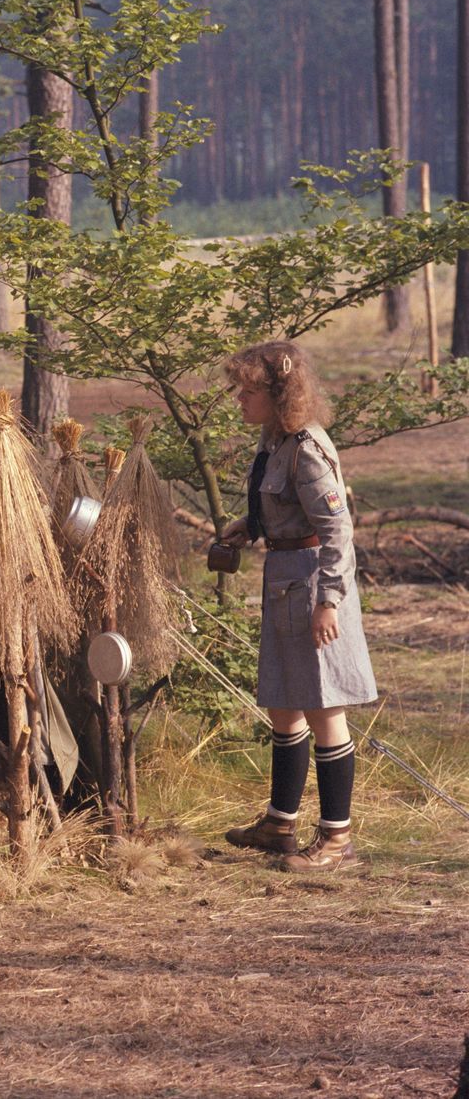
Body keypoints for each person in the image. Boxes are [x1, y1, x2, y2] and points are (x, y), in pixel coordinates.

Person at [219, 340, 376, 872]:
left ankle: (336, 840)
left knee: (324, 706)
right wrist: (253, 527)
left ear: (278, 393)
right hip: (285, 581)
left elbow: (337, 530)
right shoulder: (274, 441)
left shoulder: (306, 448)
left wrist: (330, 601)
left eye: (249, 390)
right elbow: (290, 510)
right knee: (285, 704)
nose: (239, 399)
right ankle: (279, 823)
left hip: (313, 589)